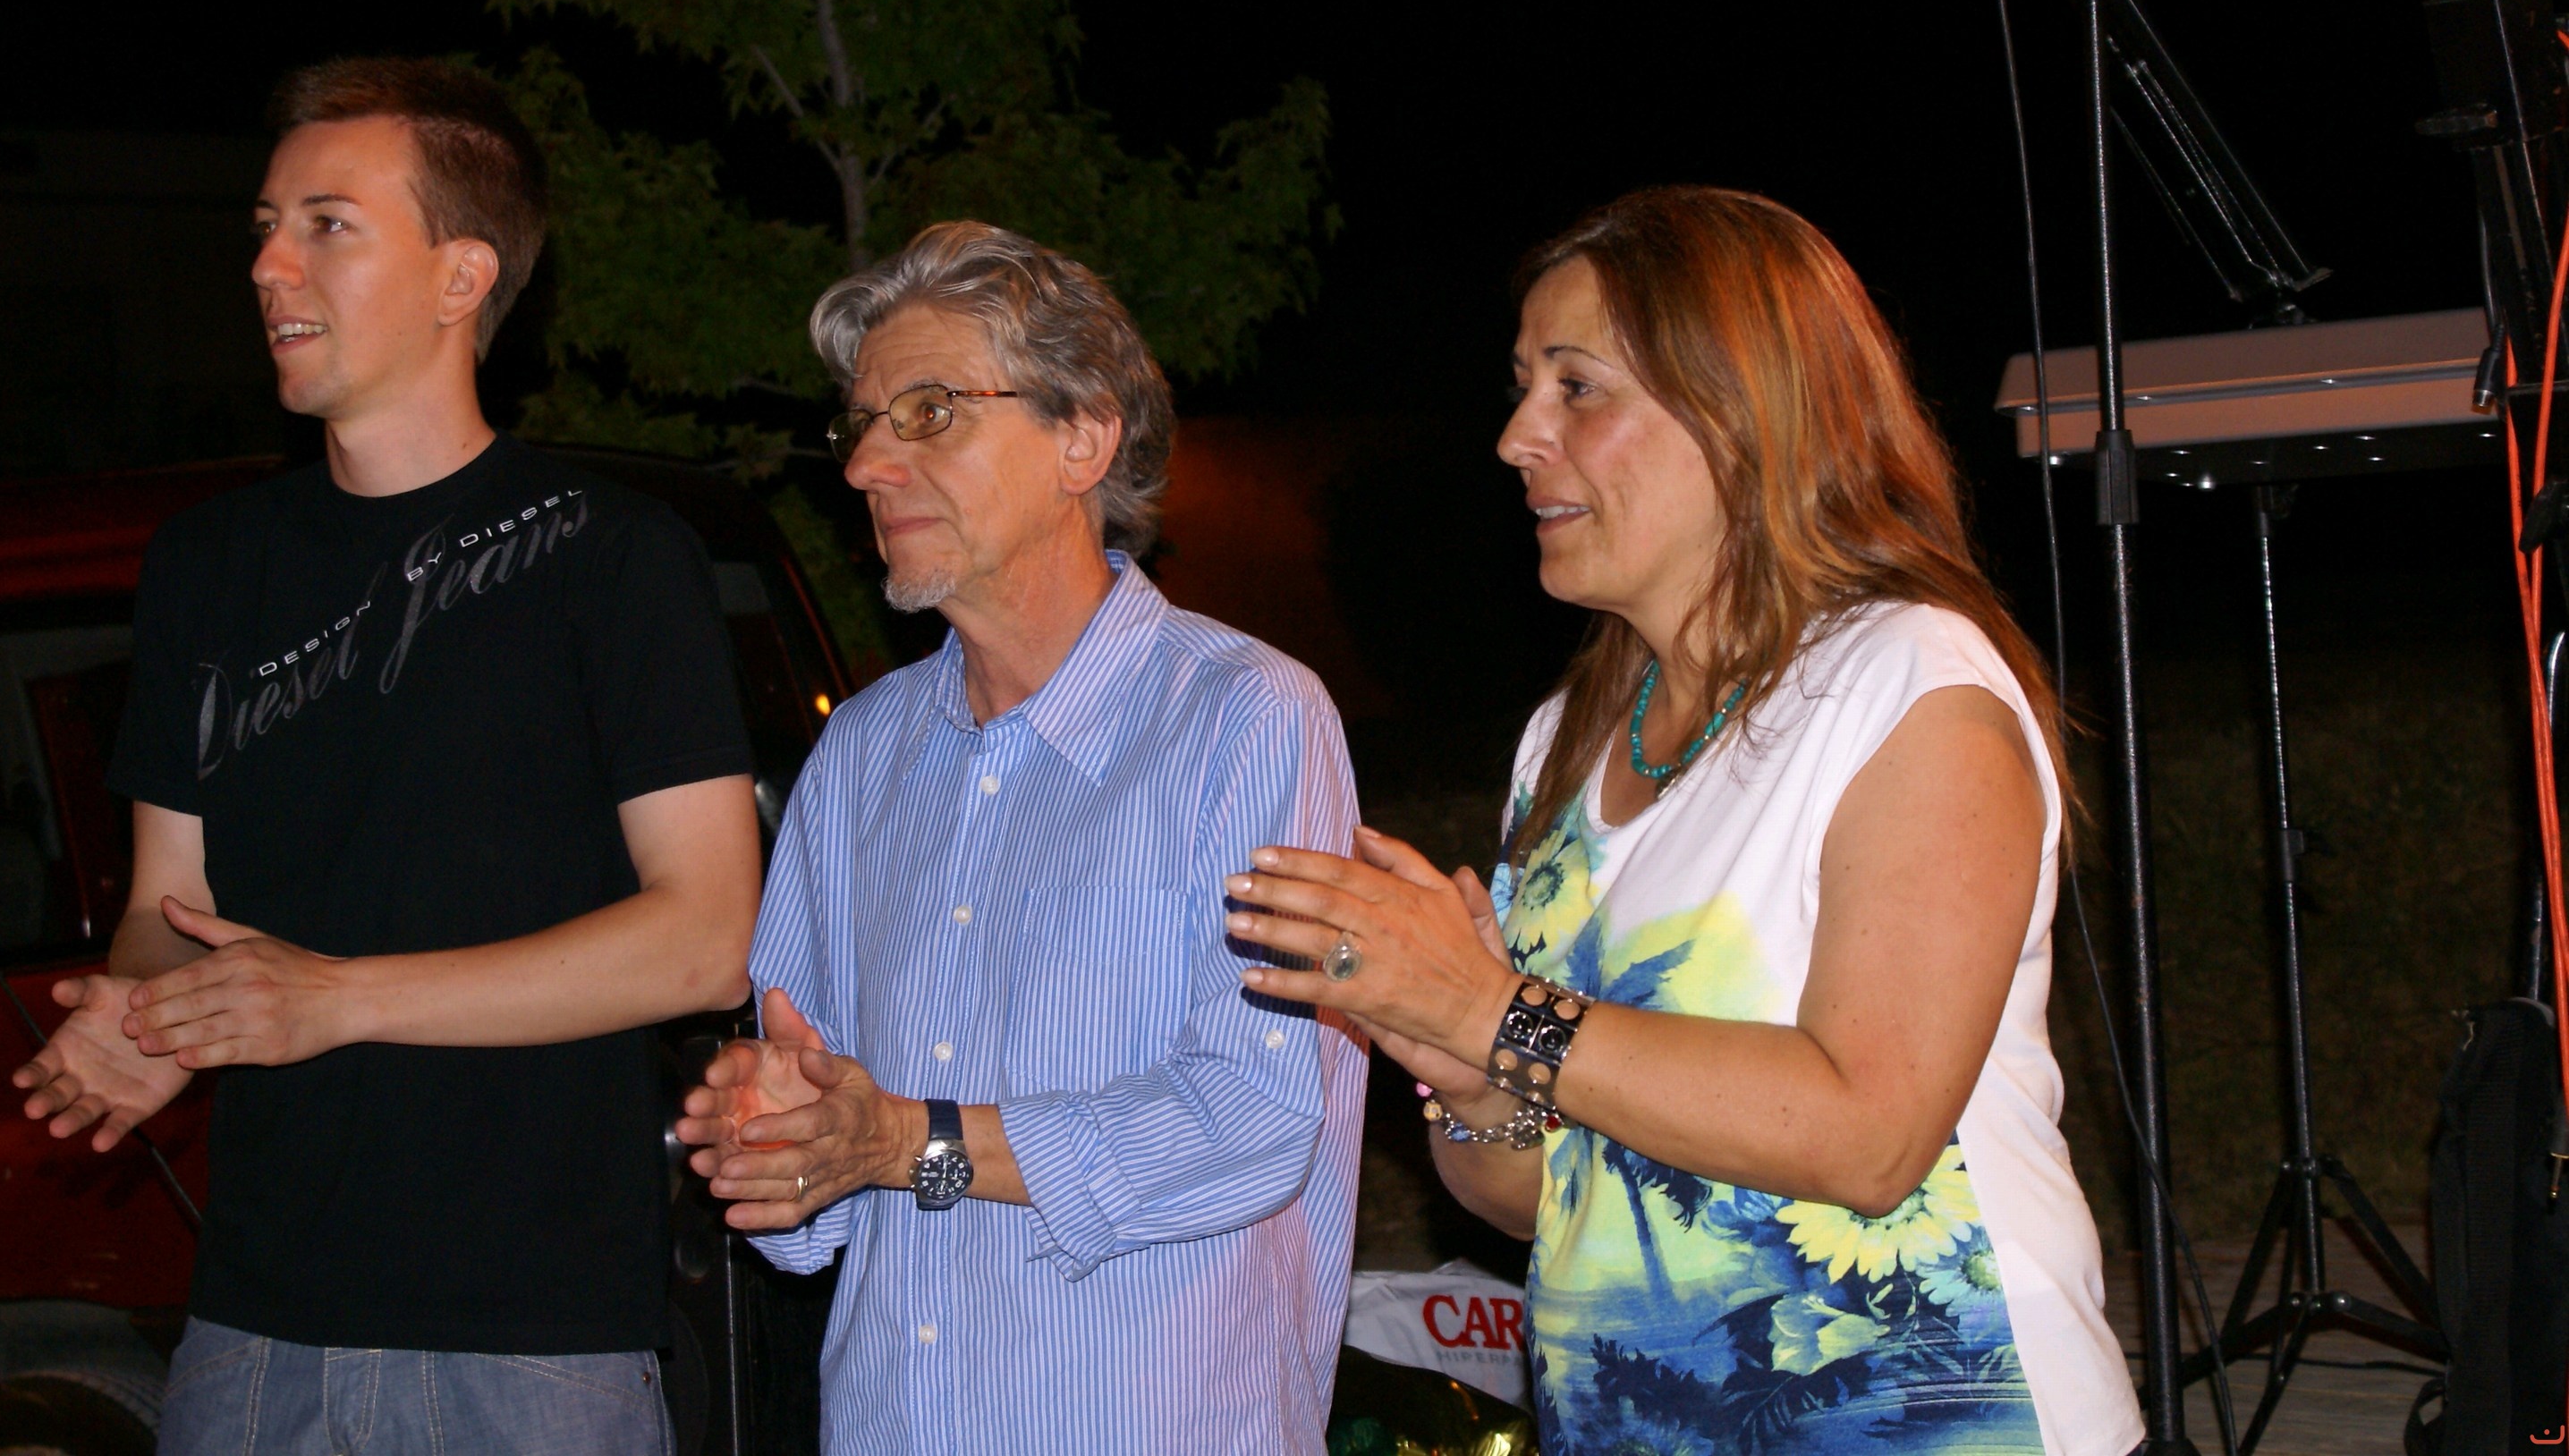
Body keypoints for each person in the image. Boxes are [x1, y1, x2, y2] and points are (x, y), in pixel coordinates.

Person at [1225, 187, 2143, 1453]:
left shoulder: (1910, 684)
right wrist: (1464, 1068)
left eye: (1577, 387)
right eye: (1523, 386)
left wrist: (1491, 1011)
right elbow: (1539, 1197)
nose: (1518, 437)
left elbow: (1869, 1134)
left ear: (1742, 411)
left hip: (1939, 1414)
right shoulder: (1567, 741)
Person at [10, 57, 763, 1455]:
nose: (268, 265)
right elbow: (169, 906)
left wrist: (339, 1000)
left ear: (460, 276)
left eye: (326, 225)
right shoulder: (207, 566)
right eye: (264, 226)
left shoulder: (614, 558)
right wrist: (148, 1016)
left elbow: (709, 940)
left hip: (533, 1343)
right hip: (254, 1325)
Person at [674, 222, 1366, 1454]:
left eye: (930, 412)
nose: (867, 465)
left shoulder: (1245, 718)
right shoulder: (860, 757)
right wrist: (778, 1137)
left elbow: (1254, 1121)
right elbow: (820, 1198)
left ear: (1083, 437)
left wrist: (909, 1141)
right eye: (862, 425)